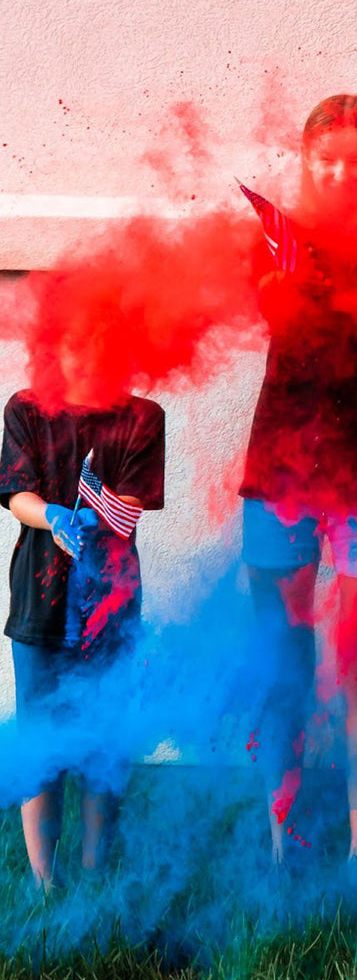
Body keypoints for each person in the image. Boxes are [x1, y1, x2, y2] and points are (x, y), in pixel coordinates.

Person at [239, 95, 357, 865]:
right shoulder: (273, 239)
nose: (342, 174)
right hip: (285, 470)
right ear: (306, 163)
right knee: (281, 660)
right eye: (327, 161)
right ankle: (280, 846)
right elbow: (286, 321)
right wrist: (317, 282)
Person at [0, 329, 165, 892]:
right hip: (39, 606)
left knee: (105, 736)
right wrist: (54, 516)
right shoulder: (25, 409)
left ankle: (96, 871)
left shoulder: (143, 416)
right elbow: (15, 494)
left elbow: (132, 505)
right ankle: (45, 883)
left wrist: (95, 516)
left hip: (111, 604)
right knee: (41, 739)